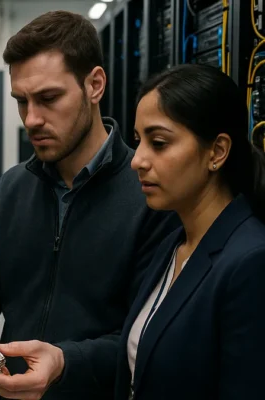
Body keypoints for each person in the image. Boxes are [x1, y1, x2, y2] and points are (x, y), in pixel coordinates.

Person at [0, 10, 179, 400]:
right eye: (21, 101)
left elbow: (149, 335)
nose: (31, 119)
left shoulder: (149, 194)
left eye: (48, 98)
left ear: (95, 84)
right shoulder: (13, 187)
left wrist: (64, 363)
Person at [113, 64, 265, 400]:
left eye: (159, 142)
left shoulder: (250, 262)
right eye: (139, 141)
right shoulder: (175, 242)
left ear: (217, 151)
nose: (137, 160)